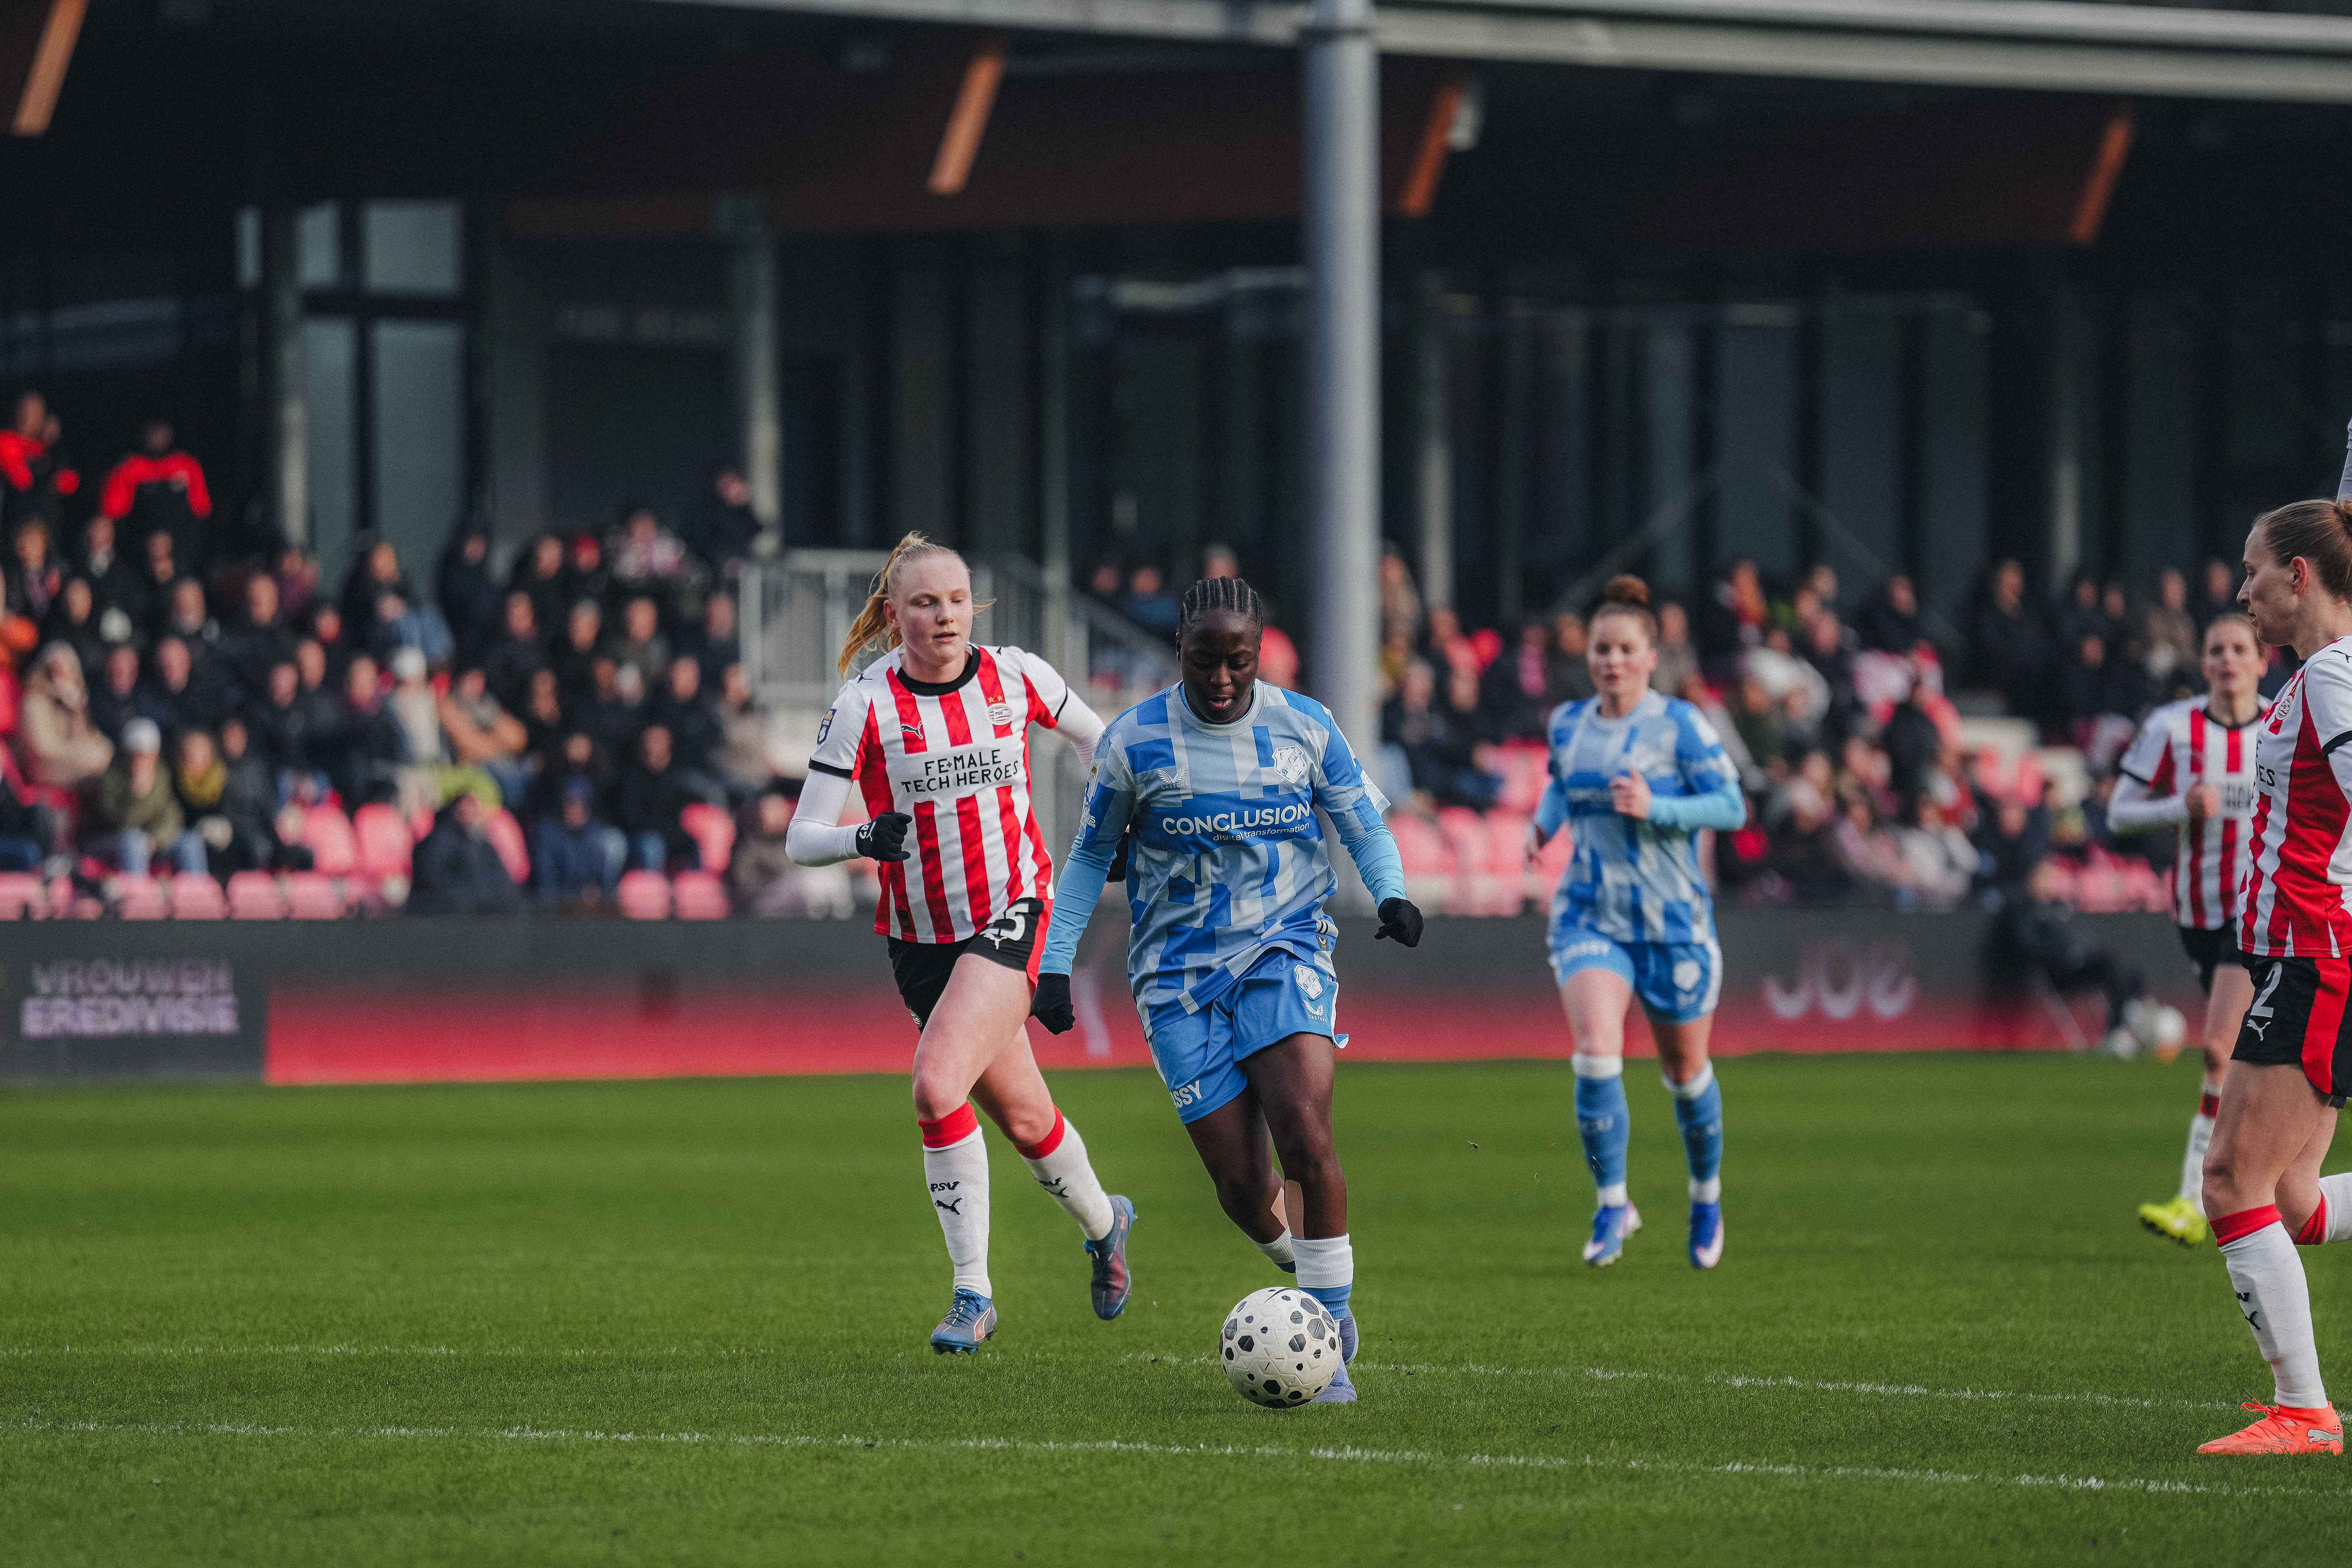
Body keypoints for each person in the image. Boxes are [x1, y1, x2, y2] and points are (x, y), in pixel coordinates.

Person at [1030, 573, 1425, 1406]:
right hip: (1175, 979)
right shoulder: (1134, 742)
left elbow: (1359, 817)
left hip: (1284, 947)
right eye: (1204, 660)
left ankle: (1329, 1327)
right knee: (1243, 1188)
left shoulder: (1304, 725)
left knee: (1304, 1133)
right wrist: (1054, 965)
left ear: (1258, 654)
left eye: (1236, 662)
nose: (1220, 678)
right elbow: (1089, 857)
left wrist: (1387, 889)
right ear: (1179, 650)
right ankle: (1300, 1266)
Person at [785, 531, 1132, 1354]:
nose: (942, 615)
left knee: (936, 1084)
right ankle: (1105, 1221)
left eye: (954, 599)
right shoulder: (866, 704)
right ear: (892, 614)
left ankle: (971, 1291)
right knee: (1023, 1115)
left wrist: (1113, 813)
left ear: (972, 603)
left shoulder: (1017, 674)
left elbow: (1104, 741)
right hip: (919, 939)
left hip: (1014, 906)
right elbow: (802, 836)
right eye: (923, 602)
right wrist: (861, 836)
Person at [1522, 575, 1745, 1271]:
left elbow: (1732, 807)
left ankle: (1705, 1196)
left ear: (1653, 657)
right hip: (1592, 911)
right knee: (1595, 1046)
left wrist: (1662, 809)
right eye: (1601, 648)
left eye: (1625, 648)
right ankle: (1614, 1200)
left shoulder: (1681, 725)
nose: (1611, 660)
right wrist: (1543, 827)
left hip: (1673, 920)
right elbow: (1564, 783)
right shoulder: (1569, 723)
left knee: (1684, 1073)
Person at [2192, 495, 2352, 1455]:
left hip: (2313, 957)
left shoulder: (2330, 674)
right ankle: (2300, 1409)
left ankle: (2303, 1412)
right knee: (2291, 1199)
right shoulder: (2319, 674)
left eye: (2251, 568)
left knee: (2227, 1179)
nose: (2240, 587)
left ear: (2297, 575)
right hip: (2301, 956)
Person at [2109, 612, 2267, 1248]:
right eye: (2215, 650)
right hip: (2194, 912)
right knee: (2241, 1060)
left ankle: (2192, 1197)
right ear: (2202, 664)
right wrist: (2179, 806)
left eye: (2239, 648)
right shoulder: (2170, 728)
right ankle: (2252, 1177)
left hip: (2255, 908)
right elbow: (2118, 812)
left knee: (2215, 1049)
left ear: (2261, 662)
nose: (2227, 659)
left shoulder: (2281, 726)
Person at [95, 718, 206, 877]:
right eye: (138, 754)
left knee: (191, 842)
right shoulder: (112, 778)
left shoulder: (162, 775)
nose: (144, 760)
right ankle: (137, 897)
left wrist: (155, 839)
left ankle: (195, 895)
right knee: (134, 842)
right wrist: (138, 795)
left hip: (153, 837)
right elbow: (122, 823)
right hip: (113, 839)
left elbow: (172, 816)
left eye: (149, 754)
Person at [98, 419, 210, 567]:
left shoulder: (187, 465)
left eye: (162, 431)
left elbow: (202, 511)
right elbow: (113, 514)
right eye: (154, 432)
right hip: (138, 552)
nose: (158, 437)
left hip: (182, 554)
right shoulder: (129, 467)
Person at [410, 790, 525, 914]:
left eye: (474, 808)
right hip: (455, 914)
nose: (472, 812)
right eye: (466, 807)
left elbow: (501, 878)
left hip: (485, 910)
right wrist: (470, 897)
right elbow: (432, 879)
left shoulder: (482, 844)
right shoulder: (438, 841)